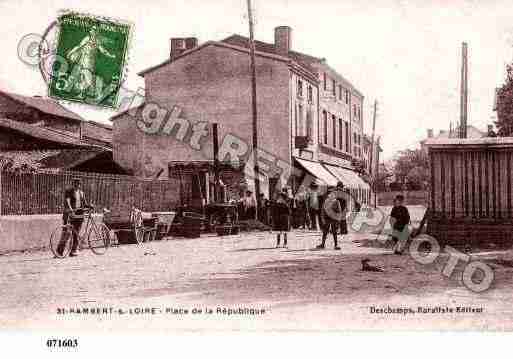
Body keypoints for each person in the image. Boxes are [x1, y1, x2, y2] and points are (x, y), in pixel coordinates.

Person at [57, 178, 90, 257]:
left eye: (78, 184)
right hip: (70, 214)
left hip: (79, 215)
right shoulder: (69, 191)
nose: (77, 185)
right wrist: (70, 209)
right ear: (73, 184)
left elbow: (84, 203)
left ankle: (73, 251)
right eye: (75, 184)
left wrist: (90, 206)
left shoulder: (81, 193)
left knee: (76, 233)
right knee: (66, 233)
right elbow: (67, 201)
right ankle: (59, 252)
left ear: (80, 185)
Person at [316, 186, 342, 250]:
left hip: (333, 218)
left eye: (331, 193)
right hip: (327, 218)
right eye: (329, 193)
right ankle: (322, 244)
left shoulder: (336, 201)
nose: (330, 194)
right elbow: (323, 210)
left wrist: (338, 220)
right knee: (325, 232)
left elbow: (339, 211)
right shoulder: (326, 201)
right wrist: (322, 219)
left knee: (334, 232)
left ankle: (336, 245)